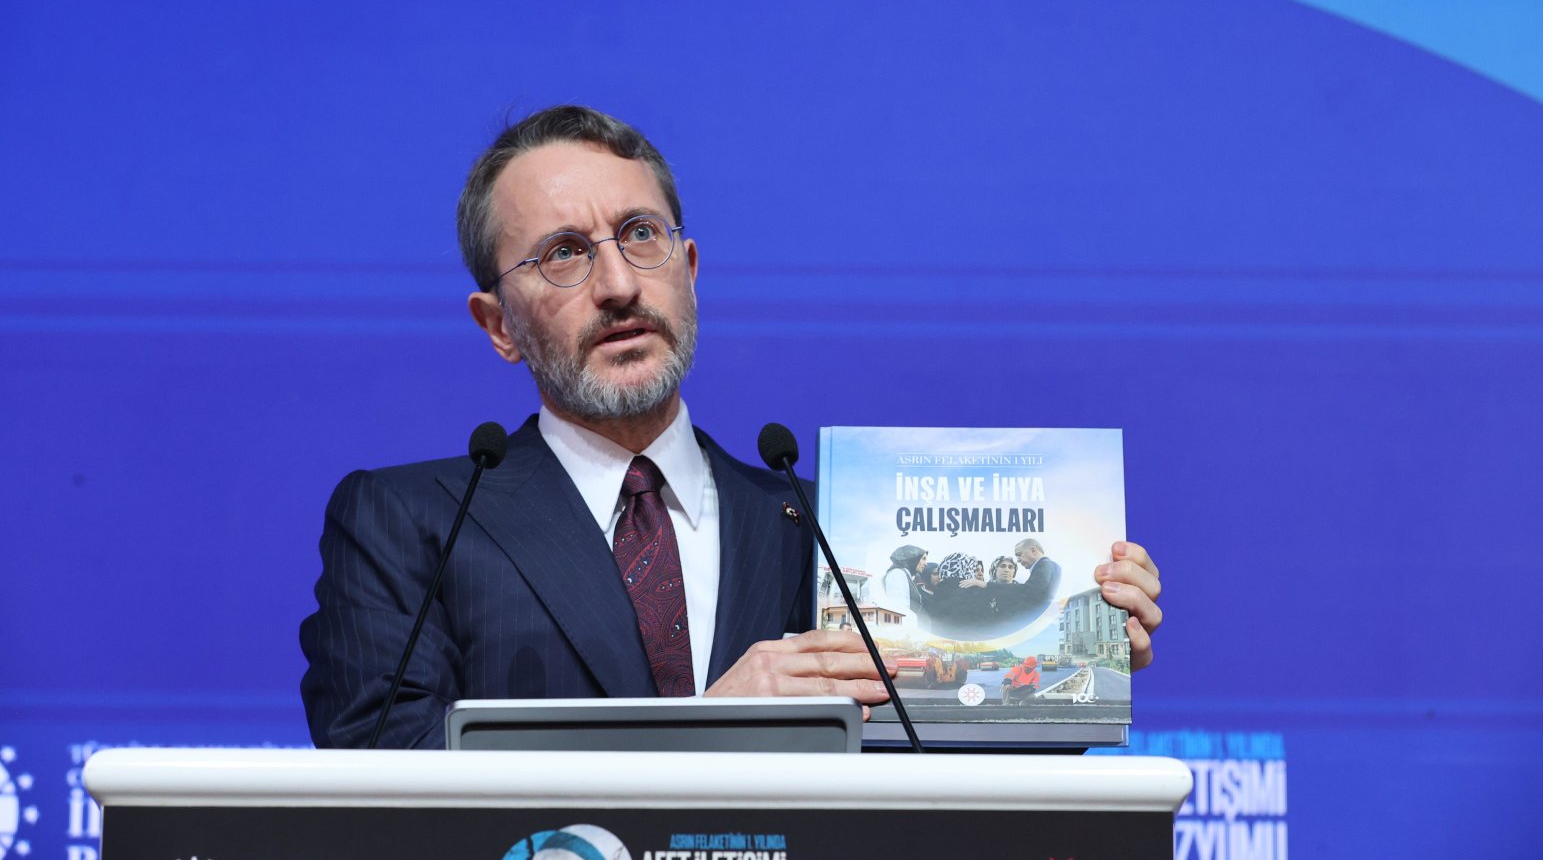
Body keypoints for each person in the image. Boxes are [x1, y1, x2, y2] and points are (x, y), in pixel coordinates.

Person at [299, 105, 1165, 748]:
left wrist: (1068, 668)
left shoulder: (829, 530)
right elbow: (387, 780)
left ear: (689, 269)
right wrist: (708, 728)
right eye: (564, 252)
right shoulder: (412, 523)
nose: (618, 285)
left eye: (642, 235)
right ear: (497, 325)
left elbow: (945, 777)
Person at [880, 545, 927, 622]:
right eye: (923, 559)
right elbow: (898, 609)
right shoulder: (897, 574)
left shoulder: (905, 575)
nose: (926, 563)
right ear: (913, 558)